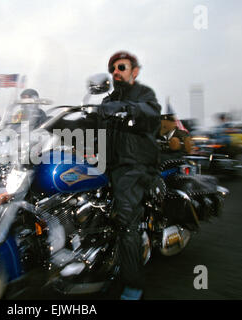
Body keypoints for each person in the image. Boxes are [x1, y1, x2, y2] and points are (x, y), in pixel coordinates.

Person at [97, 51, 162, 300]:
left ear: (134, 71)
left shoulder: (144, 94)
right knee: (99, 214)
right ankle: (104, 268)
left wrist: (126, 107)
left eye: (121, 67)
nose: (116, 71)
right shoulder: (107, 100)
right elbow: (94, 125)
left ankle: (133, 284)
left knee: (125, 223)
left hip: (135, 165)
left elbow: (151, 114)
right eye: (112, 68)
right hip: (109, 165)